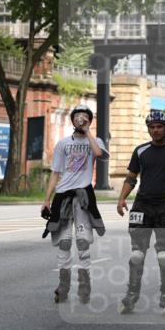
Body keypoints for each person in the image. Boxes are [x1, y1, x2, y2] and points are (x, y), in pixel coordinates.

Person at [116, 110, 165, 317]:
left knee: (164, 256)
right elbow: (131, 178)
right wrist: (122, 198)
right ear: (148, 129)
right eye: (152, 127)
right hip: (142, 206)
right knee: (137, 254)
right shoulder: (140, 151)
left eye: (159, 127)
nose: (155, 130)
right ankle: (131, 295)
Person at [42, 105, 108, 303]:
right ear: (72, 120)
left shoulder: (95, 141)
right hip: (63, 197)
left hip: (83, 198)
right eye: (77, 117)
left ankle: (85, 287)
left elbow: (98, 154)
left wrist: (88, 131)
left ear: (89, 120)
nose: (81, 119)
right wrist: (46, 199)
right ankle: (63, 288)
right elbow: (55, 173)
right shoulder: (63, 143)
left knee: (82, 242)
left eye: (85, 117)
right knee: (64, 243)